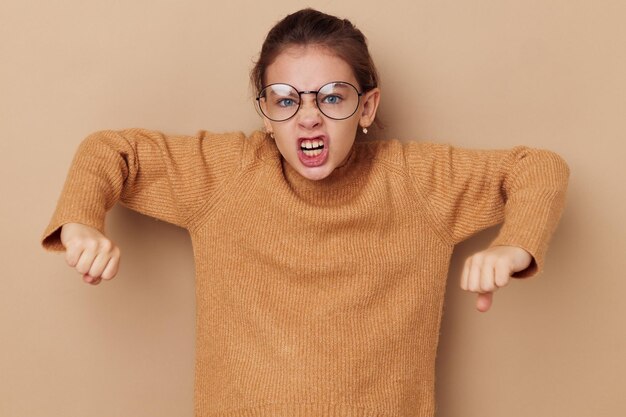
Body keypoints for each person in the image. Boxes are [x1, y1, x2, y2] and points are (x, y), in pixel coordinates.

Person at [41, 8, 569, 417]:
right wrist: (83, 220)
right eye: (286, 99)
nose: (309, 118)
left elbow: (537, 168)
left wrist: (513, 243)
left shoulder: (414, 181)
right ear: (265, 113)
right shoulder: (228, 172)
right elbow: (112, 150)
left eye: (333, 97)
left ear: (366, 107)